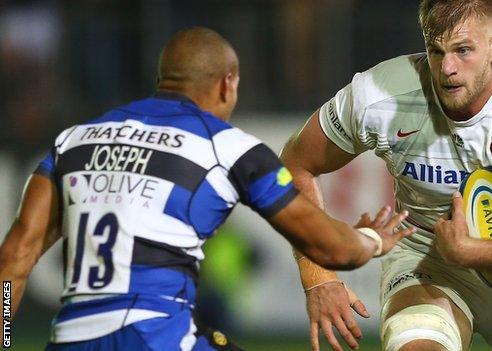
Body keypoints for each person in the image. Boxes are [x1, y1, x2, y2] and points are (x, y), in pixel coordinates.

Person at [0, 27, 416, 351]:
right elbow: (333, 249)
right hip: (154, 337)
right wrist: (371, 240)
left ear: (163, 80)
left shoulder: (74, 141)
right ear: (227, 84)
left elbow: (14, 260)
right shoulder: (227, 147)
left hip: (71, 338)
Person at [280, 1, 492, 351]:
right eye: (436, 51)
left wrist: (471, 251)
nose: (447, 69)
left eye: (463, 50)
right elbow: (295, 164)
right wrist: (317, 278)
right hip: (425, 259)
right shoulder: (379, 94)